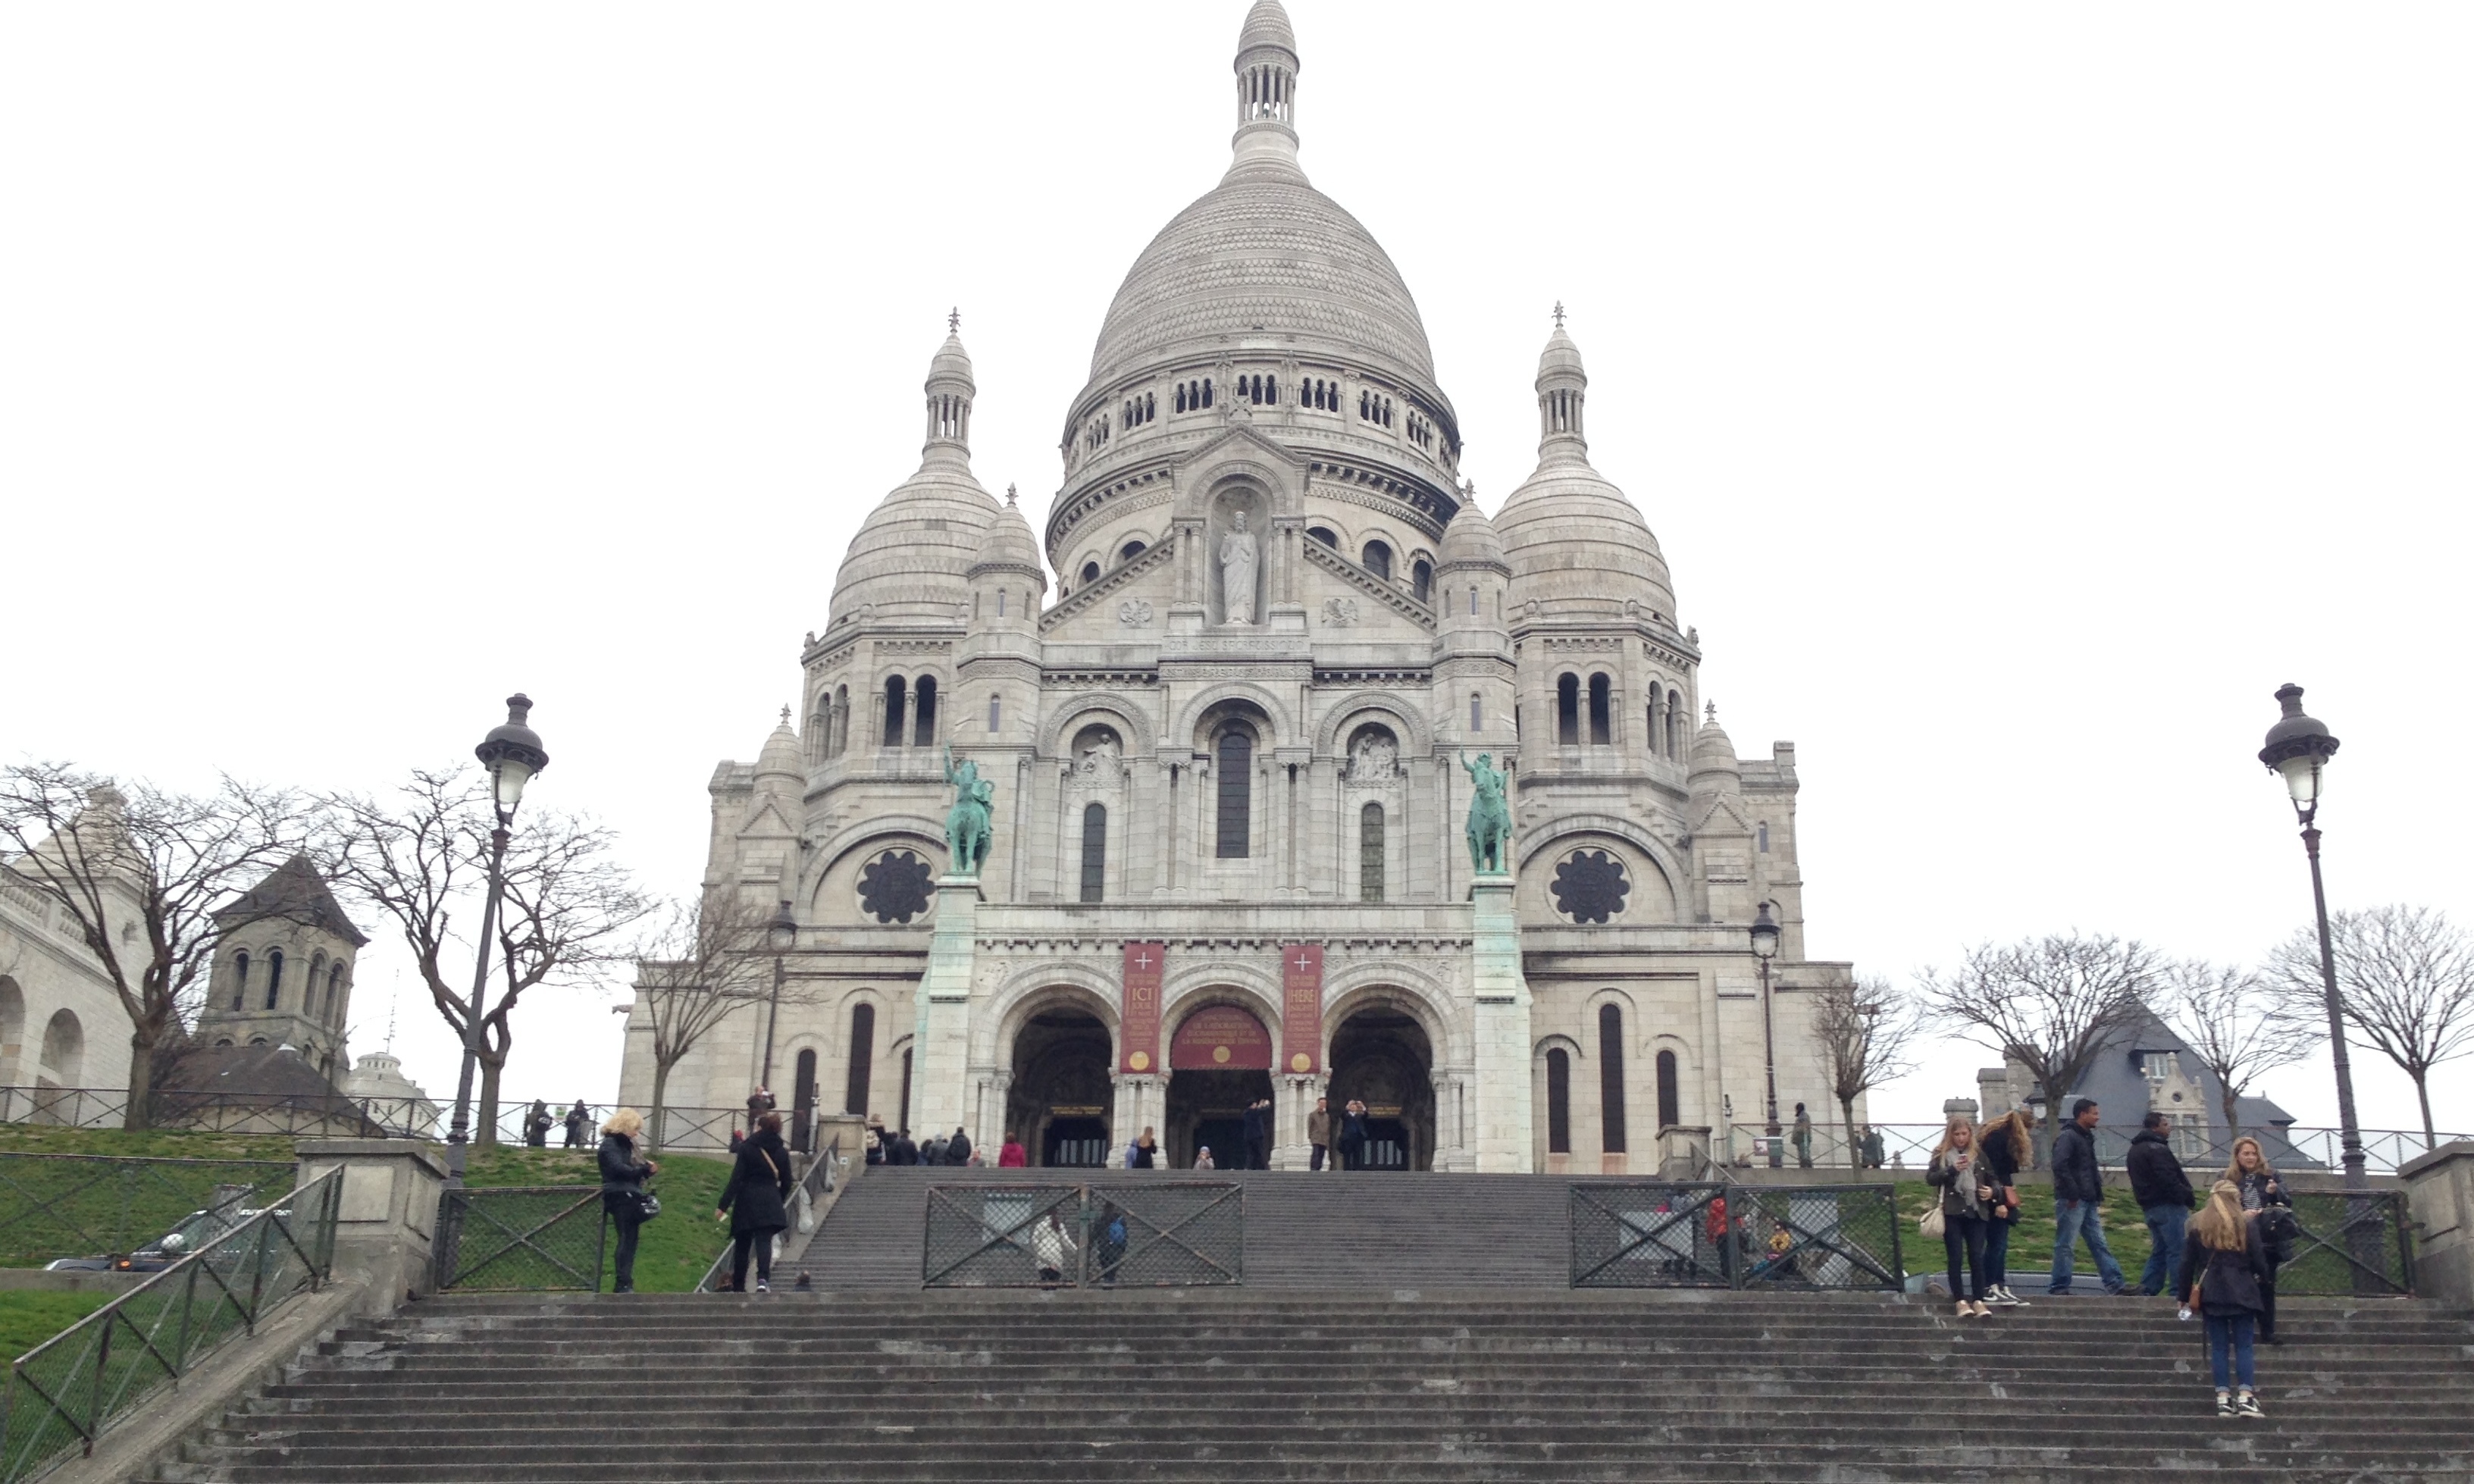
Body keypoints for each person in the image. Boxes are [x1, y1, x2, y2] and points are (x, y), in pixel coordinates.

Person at [2181, 1179, 2273, 1420]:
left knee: (2219, 1348)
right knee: (2244, 1346)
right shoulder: (2246, 1225)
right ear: (2236, 1199)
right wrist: (2263, 1280)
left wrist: (2183, 1297)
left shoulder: (2197, 1226)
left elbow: (2187, 1266)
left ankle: (2223, 1399)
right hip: (2243, 1290)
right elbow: (2259, 1261)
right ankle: (2246, 1397)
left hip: (2212, 1293)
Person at [2048, 1098, 2127, 1296]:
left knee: (2098, 1243)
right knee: (2067, 1244)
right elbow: (2059, 1165)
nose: (2098, 1116)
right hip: (2074, 1199)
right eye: (2094, 1113)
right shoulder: (2070, 1137)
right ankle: (2060, 1286)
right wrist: (2073, 1192)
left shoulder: (2082, 1136)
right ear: (2082, 1114)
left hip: (2086, 1198)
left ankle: (2115, 1283)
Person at [2225, 1136, 2294, 1344]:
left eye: (2254, 1153)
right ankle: (2238, 1329)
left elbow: (2287, 1201)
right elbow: (2220, 1205)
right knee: (2238, 1284)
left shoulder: (2271, 1176)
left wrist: (2274, 1193)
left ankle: (2267, 1330)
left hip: (2267, 1237)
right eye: (2246, 1153)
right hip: (2239, 1236)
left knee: (2267, 1284)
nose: (2251, 1157)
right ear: (2237, 1156)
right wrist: (2241, 1215)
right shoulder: (2227, 1177)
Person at [1927, 1114, 1997, 1318]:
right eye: (1956, 1134)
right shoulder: (1940, 1154)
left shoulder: (1979, 1155)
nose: (1960, 1138)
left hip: (1976, 1210)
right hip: (1952, 1210)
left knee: (1976, 1256)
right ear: (1950, 1135)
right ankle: (1960, 1300)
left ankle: (1978, 1300)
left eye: (1964, 1134)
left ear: (1970, 1134)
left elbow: (1994, 1179)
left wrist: (1993, 1192)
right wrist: (1951, 1170)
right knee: (1955, 1256)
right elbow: (1931, 1179)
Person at [716, 1110, 794, 1294]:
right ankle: (763, 1279)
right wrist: (778, 1198)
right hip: (770, 1198)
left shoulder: (747, 1148)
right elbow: (787, 1181)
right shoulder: (782, 1151)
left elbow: (736, 1178)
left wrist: (723, 1205)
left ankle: (739, 1285)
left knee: (742, 1244)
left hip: (747, 1199)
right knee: (764, 1241)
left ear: (759, 1127)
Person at [2127, 1111, 2198, 1298]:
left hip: (2150, 1207)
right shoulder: (2158, 1149)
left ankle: (2149, 1287)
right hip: (2169, 1205)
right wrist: (2185, 1196)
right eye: (2166, 1124)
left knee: (2160, 1249)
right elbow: (2168, 1178)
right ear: (2155, 1127)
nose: (2170, 1128)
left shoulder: (2134, 1150)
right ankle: (2178, 1289)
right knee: (2178, 1249)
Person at [1975, 1109, 2034, 1307]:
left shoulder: (1995, 1136)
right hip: (1994, 1195)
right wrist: (1999, 1202)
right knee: (1997, 1243)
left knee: (1998, 1243)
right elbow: (1997, 1172)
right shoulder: (2001, 1140)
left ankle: (1996, 1283)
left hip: (1993, 1193)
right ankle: (1991, 1284)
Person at [597, 1108, 659, 1294]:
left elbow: (626, 1170)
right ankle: (623, 1282)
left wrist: (645, 1171)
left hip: (626, 1192)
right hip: (619, 1194)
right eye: (635, 1129)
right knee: (626, 1237)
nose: (636, 1134)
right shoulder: (611, 1144)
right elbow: (618, 1169)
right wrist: (642, 1169)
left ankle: (625, 1280)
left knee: (630, 1238)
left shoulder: (623, 1145)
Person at [1338, 1099, 1370, 1172]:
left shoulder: (1359, 1116)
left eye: (1354, 1106)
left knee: (1357, 1153)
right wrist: (1348, 1105)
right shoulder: (1346, 1116)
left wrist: (1362, 1106)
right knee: (1347, 1154)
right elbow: (1342, 1115)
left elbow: (1366, 1115)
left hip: (1358, 1137)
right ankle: (1347, 1169)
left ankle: (1357, 1168)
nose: (1353, 1107)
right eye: (1352, 1106)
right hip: (1348, 1138)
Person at [1243, 1097, 1272, 1171]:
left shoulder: (1246, 1113)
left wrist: (1259, 1106)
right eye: (1255, 1104)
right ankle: (1264, 1167)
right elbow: (1264, 1110)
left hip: (1249, 1137)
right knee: (1260, 1152)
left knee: (1251, 1153)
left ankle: (1248, 1167)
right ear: (1252, 1105)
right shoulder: (1253, 1112)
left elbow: (1258, 1111)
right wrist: (1267, 1105)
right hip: (1257, 1136)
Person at [1307, 1097, 1332, 1172]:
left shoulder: (1327, 1116)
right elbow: (1310, 1126)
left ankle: (1318, 1167)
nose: (1323, 1105)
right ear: (1318, 1104)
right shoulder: (1313, 1115)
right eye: (1321, 1103)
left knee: (1321, 1154)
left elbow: (1328, 1127)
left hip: (1324, 1138)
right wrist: (1310, 1136)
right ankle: (1313, 1168)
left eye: (1324, 1103)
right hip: (1316, 1137)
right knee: (1316, 1153)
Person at [1791, 1103, 1813, 1169]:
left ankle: (1806, 1166)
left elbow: (1804, 1127)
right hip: (1801, 1138)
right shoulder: (1803, 1116)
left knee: (1804, 1153)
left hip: (1802, 1138)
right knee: (1803, 1153)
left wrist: (1797, 1131)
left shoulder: (1803, 1117)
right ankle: (1805, 1165)